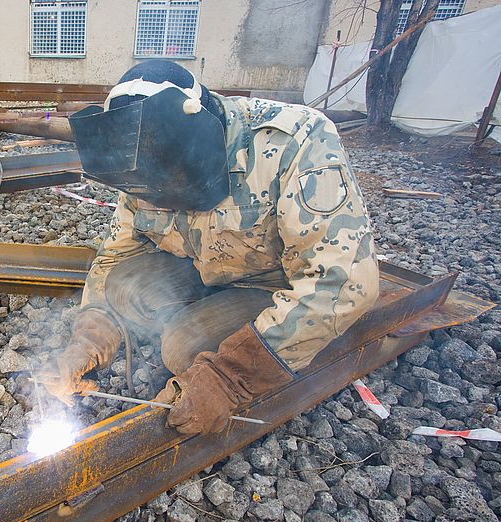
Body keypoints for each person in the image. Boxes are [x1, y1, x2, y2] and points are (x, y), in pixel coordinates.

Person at [44, 60, 380, 435]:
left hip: (275, 282)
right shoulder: (136, 154)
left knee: (180, 348)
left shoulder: (296, 140)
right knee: (123, 286)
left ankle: (282, 346)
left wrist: (227, 376)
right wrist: (87, 340)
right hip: (208, 267)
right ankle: (215, 325)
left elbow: (343, 281)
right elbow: (117, 253)